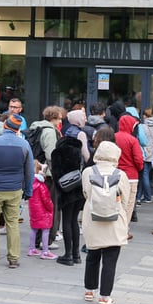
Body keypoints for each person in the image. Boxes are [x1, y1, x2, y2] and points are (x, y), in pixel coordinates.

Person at [0, 113, 34, 269]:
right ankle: (13, 259)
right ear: (18, 129)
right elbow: (29, 171)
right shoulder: (24, 145)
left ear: (5, 126)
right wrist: (28, 191)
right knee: (12, 223)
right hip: (15, 190)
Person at [81, 141, 131, 304]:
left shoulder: (88, 172)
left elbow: (86, 193)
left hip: (92, 219)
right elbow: (125, 200)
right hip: (114, 221)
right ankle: (104, 297)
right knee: (110, 260)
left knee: (92, 256)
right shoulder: (121, 174)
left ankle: (89, 290)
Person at [27, 105, 64, 250]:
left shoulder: (37, 127)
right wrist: (57, 172)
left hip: (38, 172)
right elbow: (51, 155)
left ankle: (38, 239)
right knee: (51, 207)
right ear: (53, 118)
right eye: (59, 118)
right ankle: (47, 240)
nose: (60, 121)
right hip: (48, 174)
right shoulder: (49, 131)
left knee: (40, 207)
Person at [51, 135, 86, 266]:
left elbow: (56, 174)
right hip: (78, 188)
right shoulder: (78, 151)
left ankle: (68, 255)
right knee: (74, 221)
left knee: (66, 221)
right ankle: (76, 254)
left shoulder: (57, 153)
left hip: (66, 191)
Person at [114, 114, 144, 238]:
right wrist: (139, 168)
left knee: (117, 203)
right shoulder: (133, 140)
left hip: (115, 175)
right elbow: (138, 159)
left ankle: (114, 229)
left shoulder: (113, 137)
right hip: (131, 176)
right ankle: (123, 231)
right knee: (129, 204)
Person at [27, 160, 57, 260]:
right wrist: (51, 208)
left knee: (34, 229)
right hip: (43, 211)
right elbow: (46, 199)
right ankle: (45, 251)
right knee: (45, 230)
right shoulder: (41, 185)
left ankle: (32, 249)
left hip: (34, 210)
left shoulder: (30, 183)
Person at [138, 108, 153, 204]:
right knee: (146, 174)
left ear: (145, 115)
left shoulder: (142, 126)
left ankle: (147, 196)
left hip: (144, 153)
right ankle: (141, 196)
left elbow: (139, 139)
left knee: (144, 175)